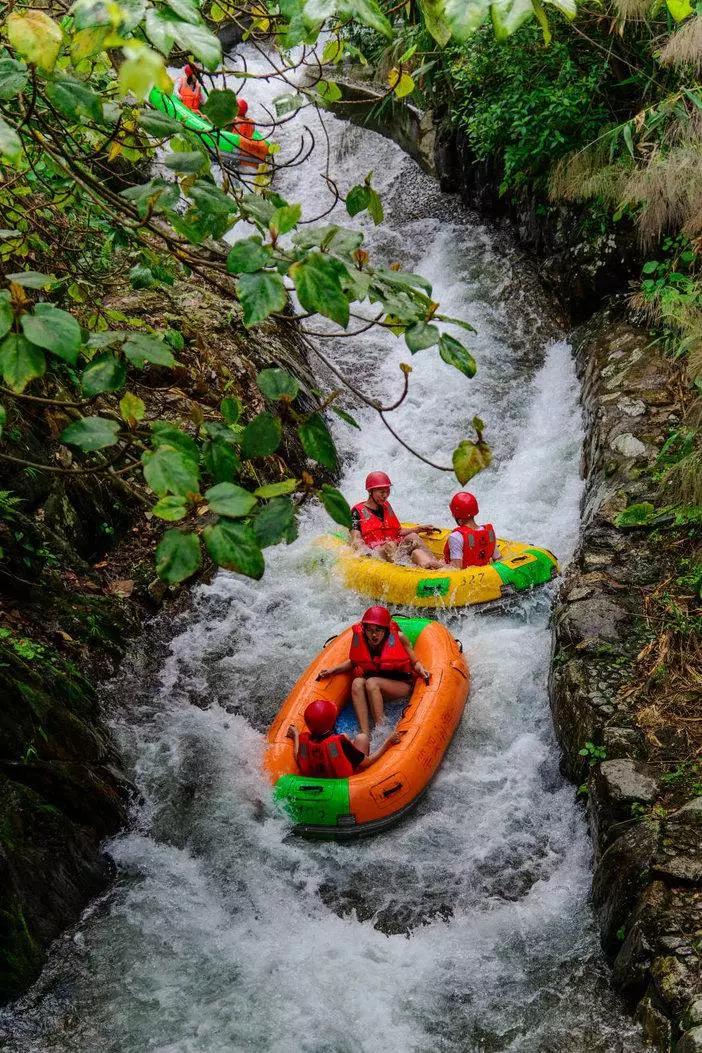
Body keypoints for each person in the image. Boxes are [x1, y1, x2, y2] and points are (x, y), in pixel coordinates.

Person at [316, 606, 430, 738]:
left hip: (400, 686)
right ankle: (365, 733)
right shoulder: (362, 640)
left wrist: (422, 670)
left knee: (371, 682)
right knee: (357, 683)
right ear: (365, 630)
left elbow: (415, 662)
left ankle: (381, 729)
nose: (374, 635)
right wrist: (332, 671)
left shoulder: (399, 638)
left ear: (386, 630)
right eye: (370, 630)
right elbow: (354, 662)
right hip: (375, 688)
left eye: (378, 630)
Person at [350, 471, 443, 569]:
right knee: (390, 545)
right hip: (375, 553)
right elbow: (356, 540)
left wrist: (418, 529)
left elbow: (397, 531)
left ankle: (436, 566)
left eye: (387, 491)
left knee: (413, 537)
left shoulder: (386, 506)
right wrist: (366, 555)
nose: (385, 495)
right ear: (370, 491)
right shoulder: (357, 511)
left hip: (394, 550)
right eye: (382, 492)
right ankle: (402, 571)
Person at [287, 699, 400, 776]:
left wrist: (296, 735)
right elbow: (367, 762)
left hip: (324, 776)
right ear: (331, 723)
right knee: (362, 738)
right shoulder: (340, 743)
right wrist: (388, 741)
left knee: (357, 738)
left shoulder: (305, 741)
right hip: (347, 782)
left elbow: (298, 757)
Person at [443, 492, 501, 568]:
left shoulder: (455, 537)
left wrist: (437, 565)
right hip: (486, 574)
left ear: (458, 517)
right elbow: (498, 559)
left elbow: (456, 568)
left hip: (465, 578)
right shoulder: (489, 532)